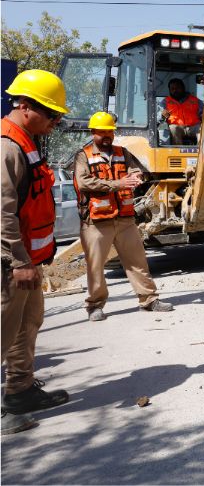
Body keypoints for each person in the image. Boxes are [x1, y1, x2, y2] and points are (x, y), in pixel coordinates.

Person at [1, 69, 70, 435]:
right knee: (3, 332)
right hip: (12, 265)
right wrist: (18, 262)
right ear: (26, 107)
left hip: (28, 263)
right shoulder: (7, 146)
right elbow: (2, 213)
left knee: (25, 329)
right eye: (52, 114)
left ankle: (20, 392)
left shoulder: (26, 141)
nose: (56, 122)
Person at [74, 112, 173, 322]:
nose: (107, 136)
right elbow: (84, 183)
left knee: (137, 262)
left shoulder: (123, 152)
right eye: (102, 132)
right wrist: (117, 184)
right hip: (96, 221)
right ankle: (95, 306)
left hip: (125, 219)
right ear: (93, 133)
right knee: (95, 266)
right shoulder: (83, 156)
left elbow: (137, 170)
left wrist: (136, 176)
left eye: (110, 131)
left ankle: (149, 300)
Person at [161, 78, 203, 145]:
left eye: (177, 88)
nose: (175, 90)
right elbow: (158, 116)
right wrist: (162, 115)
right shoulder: (165, 101)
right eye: (172, 89)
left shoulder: (195, 100)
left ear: (183, 88)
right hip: (178, 128)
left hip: (194, 127)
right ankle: (177, 151)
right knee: (173, 128)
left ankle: (201, 151)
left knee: (203, 128)